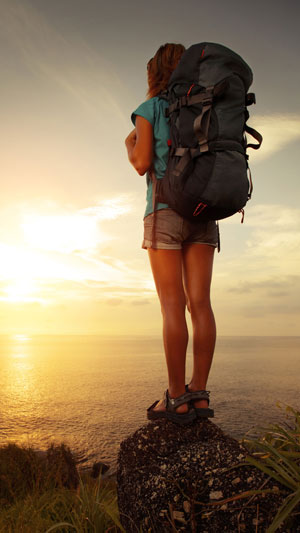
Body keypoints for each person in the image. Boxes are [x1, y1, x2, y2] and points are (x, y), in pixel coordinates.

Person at [125, 43, 218, 425]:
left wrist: (128, 146)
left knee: (171, 305)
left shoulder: (149, 110)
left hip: (164, 210)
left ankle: (176, 397)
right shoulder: (207, 105)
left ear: (154, 74)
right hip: (203, 211)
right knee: (201, 304)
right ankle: (200, 394)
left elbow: (143, 162)